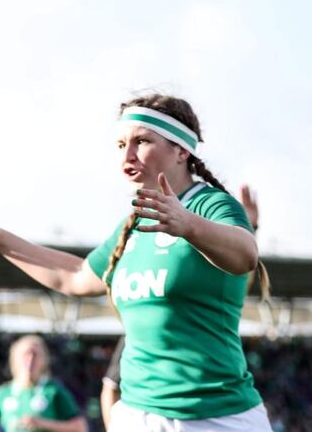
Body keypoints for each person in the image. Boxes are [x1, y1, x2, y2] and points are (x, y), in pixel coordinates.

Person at [0, 94, 273, 432]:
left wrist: (188, 225)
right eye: (121, 143)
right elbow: (76, 276)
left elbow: (245, 254)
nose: (127, 155)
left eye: (141, 141)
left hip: (217, 415)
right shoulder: (135, 224)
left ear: (182, 151)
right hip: (137, 414)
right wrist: (0, 241)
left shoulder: (210, 205)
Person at [98, 184, 263, 431]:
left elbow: (237, 276)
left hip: (219, 411)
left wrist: (248, 231)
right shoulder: (138, 336)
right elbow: (110, 391)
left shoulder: (205, 216)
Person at [0, 335, 88, 432]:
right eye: (26, 354)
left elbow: (80, 427)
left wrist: (42, 424)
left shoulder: (54, 391)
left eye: (35, 355)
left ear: (44, 360)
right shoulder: (2, 393)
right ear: (15, 359)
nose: (30, 360)